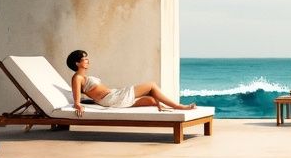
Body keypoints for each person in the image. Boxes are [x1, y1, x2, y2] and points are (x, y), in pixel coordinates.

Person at [67, 49, 196, 117]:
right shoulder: (77, 78)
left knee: (151, 100)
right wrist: (78, 104)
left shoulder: (83, 76)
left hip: (113, 96)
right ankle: (178, 106)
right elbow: (76, 97)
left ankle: (164, 107)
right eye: (85, 59)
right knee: (151, 85)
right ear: (77, 63)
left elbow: (90, 94)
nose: (88, 61)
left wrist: (91, 101)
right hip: (111, 98)